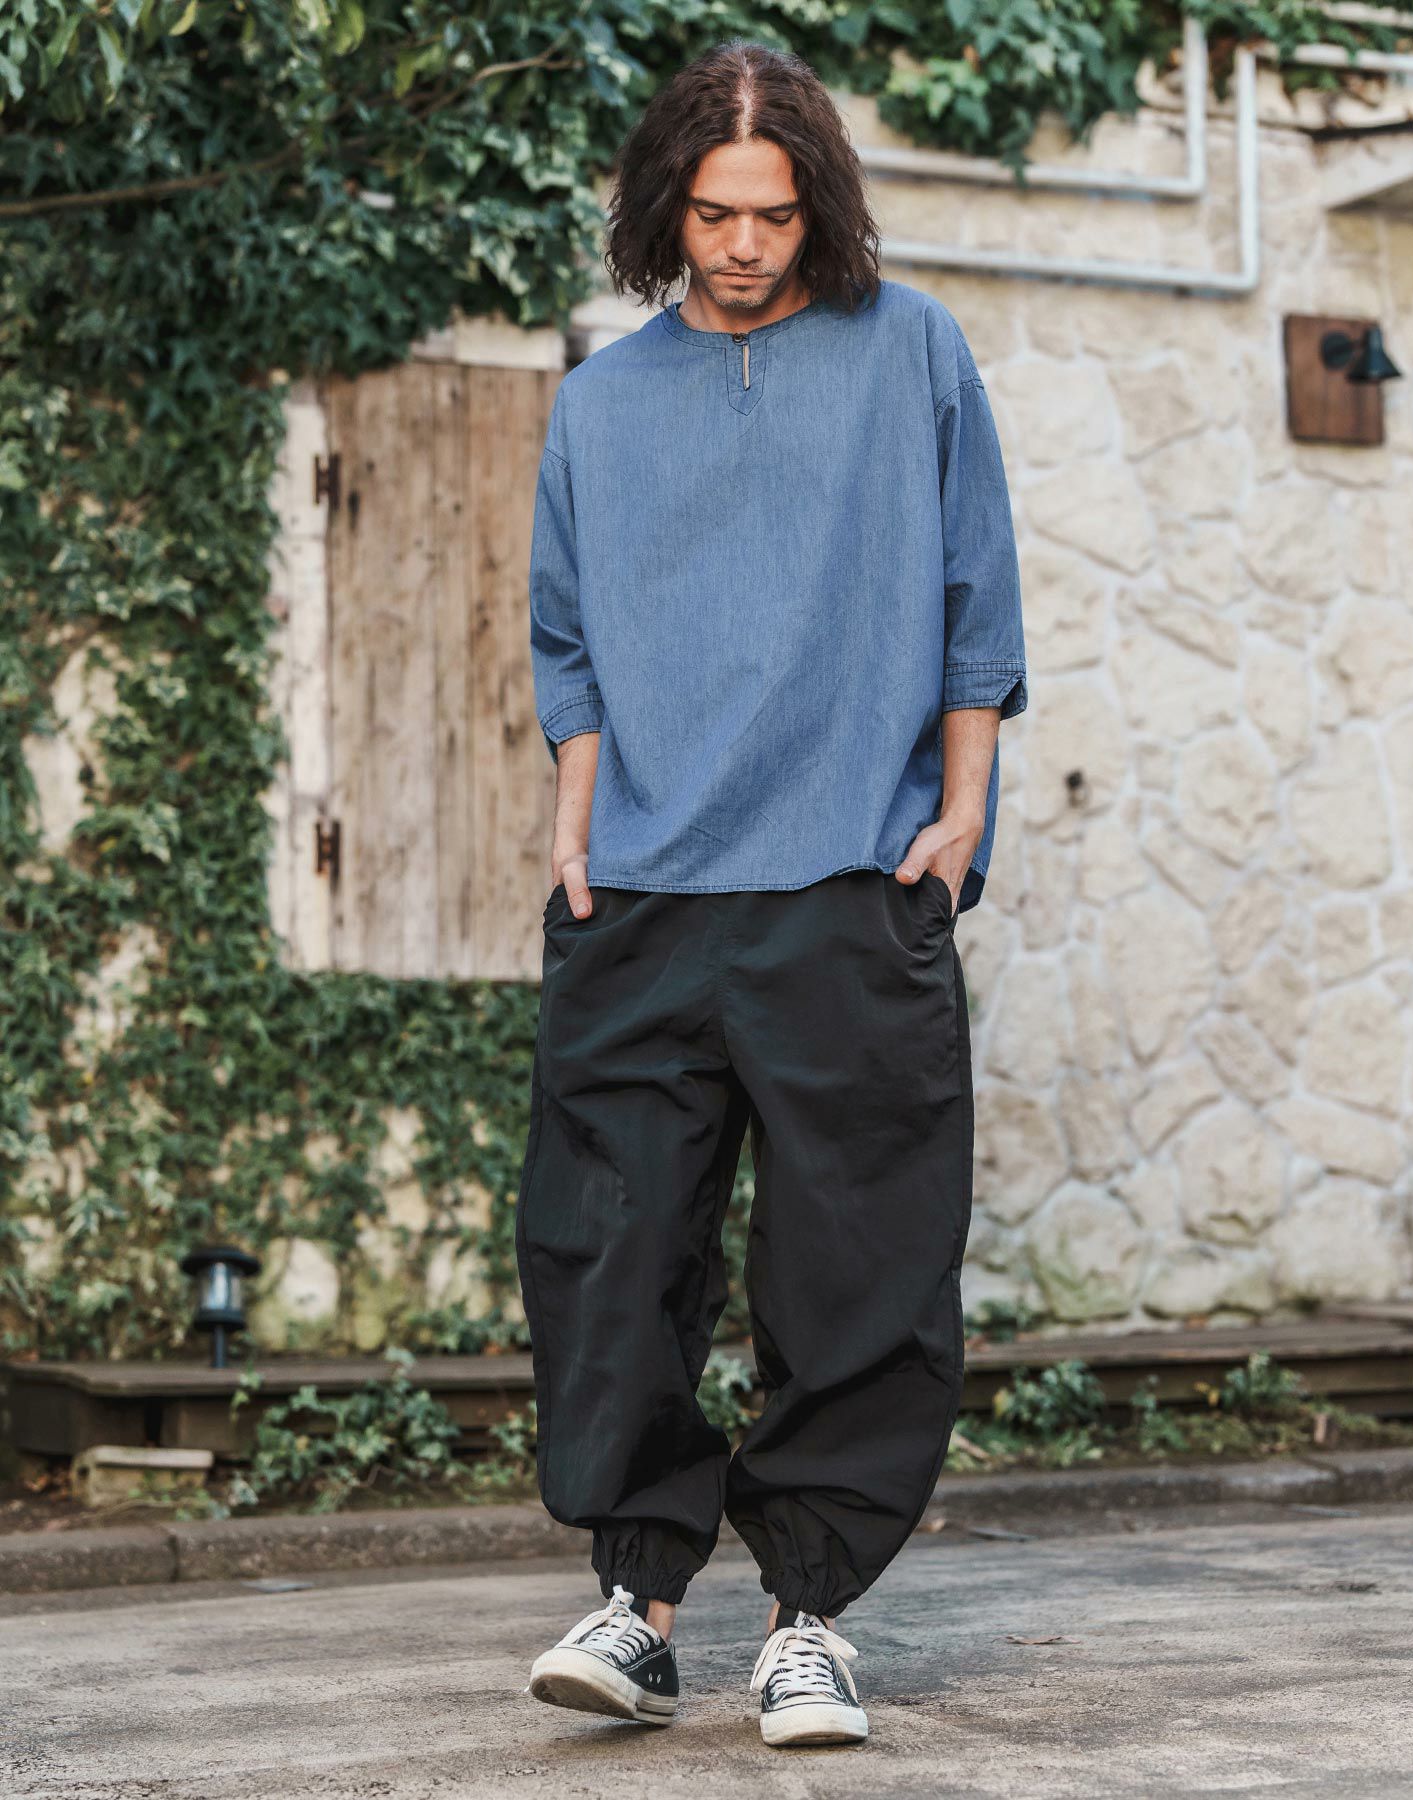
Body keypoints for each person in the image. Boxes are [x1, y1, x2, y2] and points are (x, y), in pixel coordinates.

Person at [515, 35, 1027, 1750]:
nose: (744, 245)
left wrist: (961, 813)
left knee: (858, 1267)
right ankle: (639, 1608)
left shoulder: (913, 352)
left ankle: (808, 1624)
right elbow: (571, 640)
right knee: (610, 1256)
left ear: (822, 211)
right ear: (667, 206)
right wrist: (578, 825)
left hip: (848, 881)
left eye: (778, 214)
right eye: (716, 212)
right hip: (643, 894)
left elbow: (973, 596)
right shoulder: (601, 403)